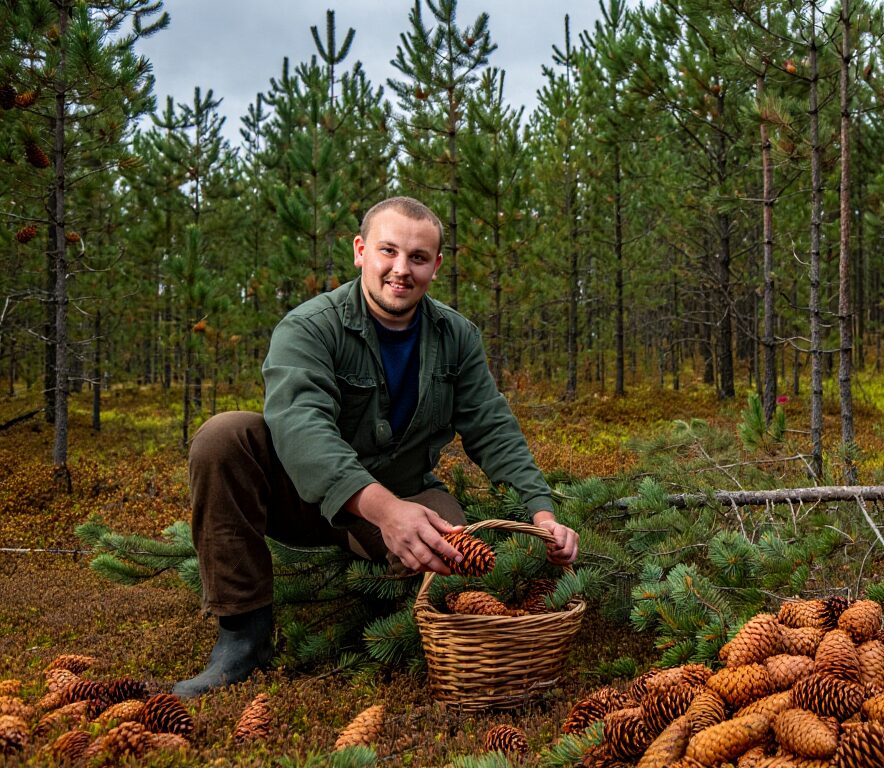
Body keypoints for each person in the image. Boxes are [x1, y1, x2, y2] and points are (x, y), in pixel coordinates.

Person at [174, 196, 580, 696]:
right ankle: (242, 640)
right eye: (388, 251)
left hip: (408, 490)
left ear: (436, 265)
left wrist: (541, 513)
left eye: (417, 257)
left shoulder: (456, 337)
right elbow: (301, 428)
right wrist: (385, 511)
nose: (401, 270)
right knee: (224, 436)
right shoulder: (309, 326)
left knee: (455, 557)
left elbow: (493, 428)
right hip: (301, 498)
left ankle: (409, 613)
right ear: (361, 250)